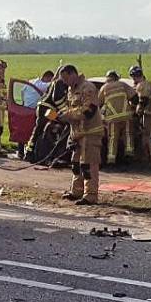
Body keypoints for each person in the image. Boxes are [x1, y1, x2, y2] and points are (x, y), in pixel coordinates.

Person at [51, 65, 103, 205]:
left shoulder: (88, 88)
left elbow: (88, 111)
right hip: (77, 134)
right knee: (75, 164)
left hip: (90, 133)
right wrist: (60, 117)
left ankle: (91, 195)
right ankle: (76, 191)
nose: (65, 82)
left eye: (66, 78)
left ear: (73, 74)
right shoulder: (71, 90)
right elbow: (71, 109)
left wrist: (67, 115)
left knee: (88, 164)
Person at [98, 70, 135, 165]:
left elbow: (98, 103)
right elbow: (134, 97)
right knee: (128, 135)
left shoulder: (104, 88)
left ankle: (111, 159)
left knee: (113, 138)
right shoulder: (123, 85)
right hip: (126, 116)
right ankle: (129, 155)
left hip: (112, 118)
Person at [129, 66, 151, 162]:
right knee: (150, 136)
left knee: (146, 136)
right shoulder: (147, 84)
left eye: (133, 77)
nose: (133, 79)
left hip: (150, 114)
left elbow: (143, 101)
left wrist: (136, 114)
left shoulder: (143, 85)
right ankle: (150, 155)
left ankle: (150, 158)